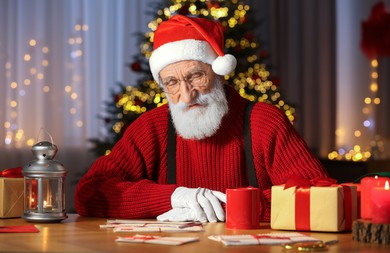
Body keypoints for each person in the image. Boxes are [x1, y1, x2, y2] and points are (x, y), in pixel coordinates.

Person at [74, 14, 329, 223]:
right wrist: (172, 197)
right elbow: (88, 193)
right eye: (172, 82)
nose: (187, 95)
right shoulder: (152, 128)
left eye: (196, 76)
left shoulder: (264, 122)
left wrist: (229, 208)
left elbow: (320, 197)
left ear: (219, 74)